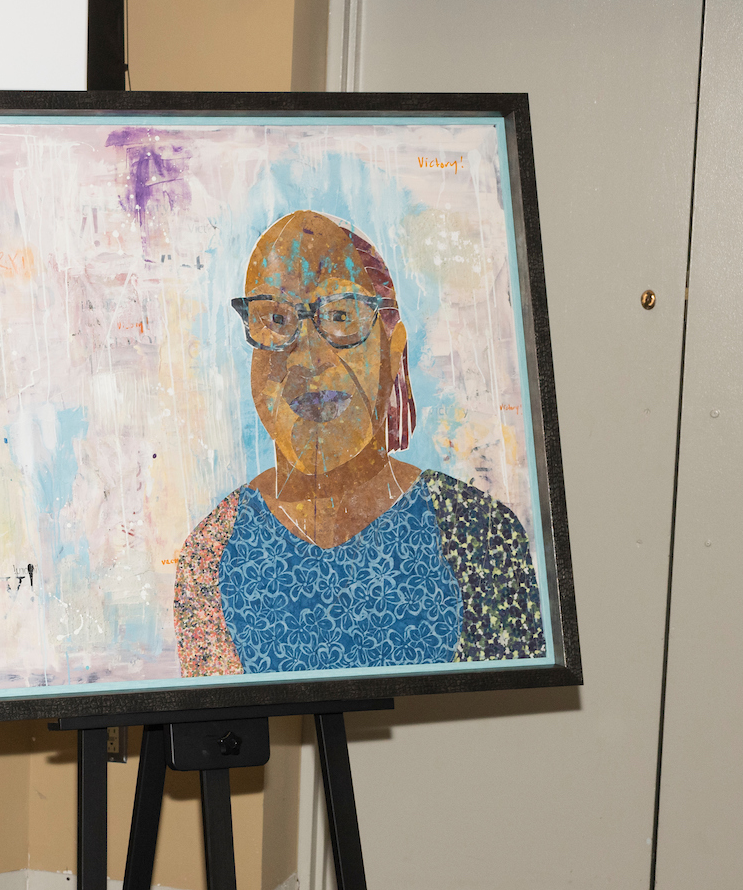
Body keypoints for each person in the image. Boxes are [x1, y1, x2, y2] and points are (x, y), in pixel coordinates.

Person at [175, 209, 546, 675]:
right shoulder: (210, 554)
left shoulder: (479, 534)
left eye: (341, 316)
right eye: (275, 318)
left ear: (394, 350)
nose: (308, 357)